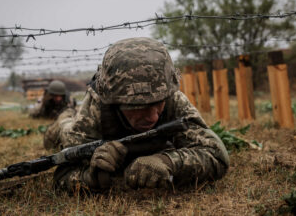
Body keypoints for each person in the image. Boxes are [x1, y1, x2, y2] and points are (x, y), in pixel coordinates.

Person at [50, 37, 229, 192]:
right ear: (113, 101)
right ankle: (63, 118)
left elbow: (216, 155)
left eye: (158, 103)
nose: (153, 117)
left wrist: (168, 162)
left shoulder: (171, 96)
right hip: (71, 126)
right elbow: (62, 176)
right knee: (64, 127)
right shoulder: (96, 107)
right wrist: (91, 177)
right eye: (137, 106)